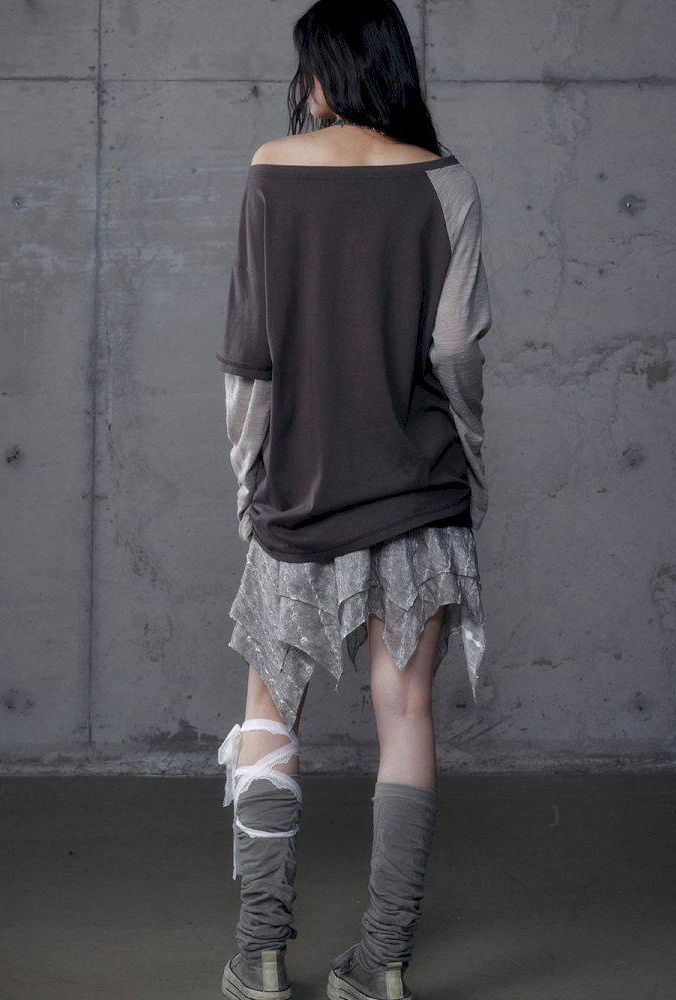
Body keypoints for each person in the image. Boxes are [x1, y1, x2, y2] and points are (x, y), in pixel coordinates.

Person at [216, 2, 492, 998]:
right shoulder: (446, 182)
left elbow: (249, 359)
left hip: (298, 486)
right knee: (406, 709)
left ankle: (259, 954)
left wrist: (251, 479)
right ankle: (381, 964)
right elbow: (456, 351)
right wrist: (467, 452)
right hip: (418, 489)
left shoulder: (271, 171)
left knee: (267, 709)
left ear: (327, 71)